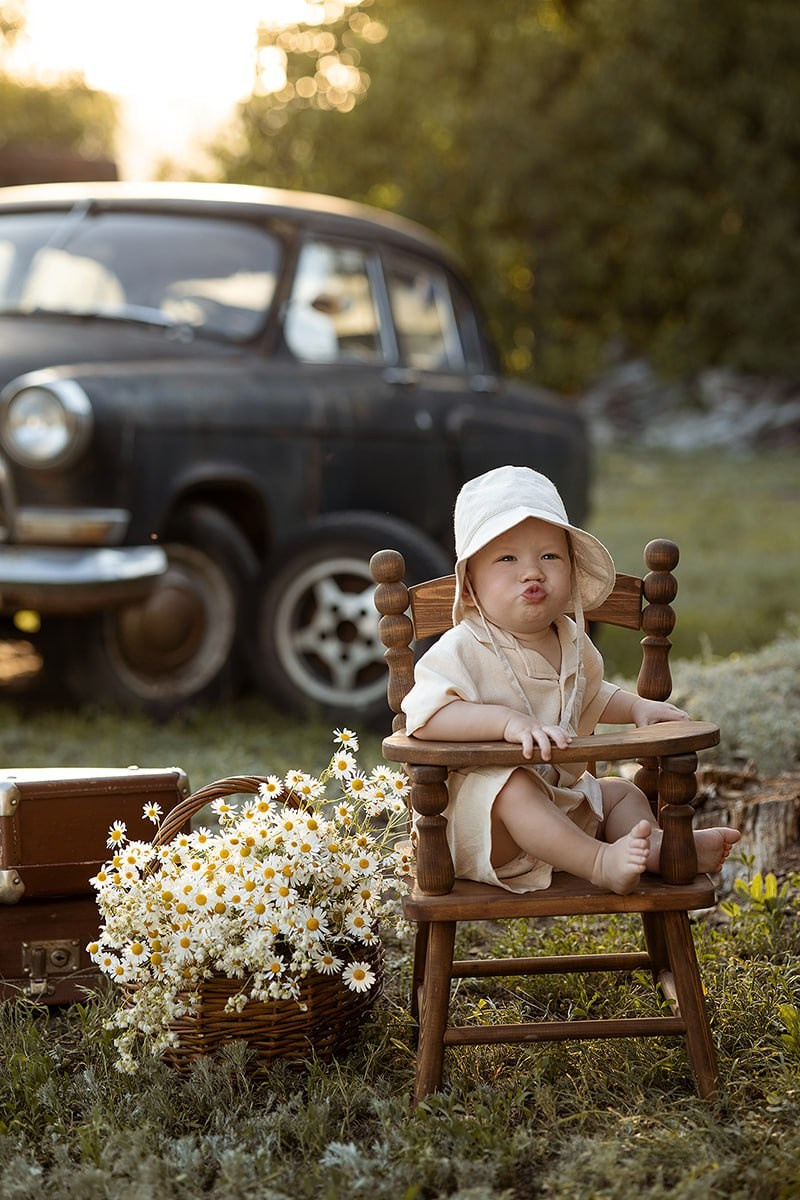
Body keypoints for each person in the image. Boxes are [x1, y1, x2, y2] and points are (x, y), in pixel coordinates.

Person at [402, 465, 740, 895]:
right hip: (483, 828)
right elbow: (427, 718)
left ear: (572, 572)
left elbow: (591, 695)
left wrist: (636, 707)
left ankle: (654, 847)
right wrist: (506, 722)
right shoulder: (461, 648)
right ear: (468, 587)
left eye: (549, 556)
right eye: (507, 558)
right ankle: (600, 862)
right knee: (514, 784)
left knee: (617, 792)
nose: (532, 572)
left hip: (559, 807)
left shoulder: (571, 641)